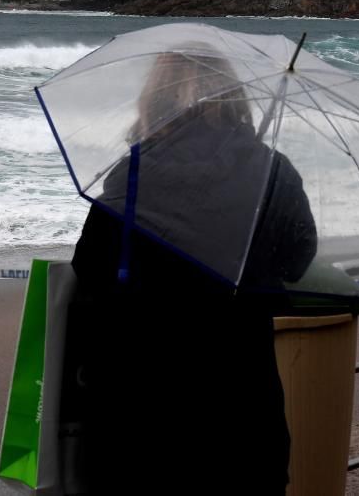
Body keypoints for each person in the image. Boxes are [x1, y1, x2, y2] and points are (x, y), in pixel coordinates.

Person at [64, 51, 317, 494]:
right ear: (236, 99)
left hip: (132, 415)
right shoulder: (270, 174)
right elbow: (297, 258)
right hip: (239, 411)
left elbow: (88, 269)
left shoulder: (131, 178)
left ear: (153, 102)